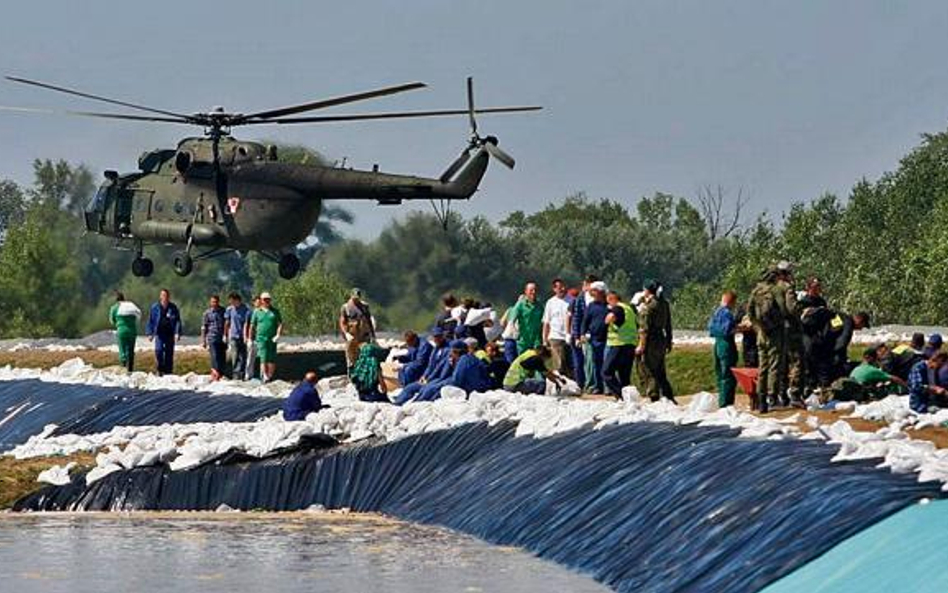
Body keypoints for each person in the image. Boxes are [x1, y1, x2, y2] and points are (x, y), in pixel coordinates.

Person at [748, 265, 792, 412]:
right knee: (774, 366)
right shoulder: (776, 290)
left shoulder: (756, 291)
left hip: (761, 334)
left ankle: (761, 401)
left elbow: (750, 312)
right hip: (775, 333)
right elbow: (784, 309)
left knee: (762, 368)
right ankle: (772, 397)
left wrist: (758, 328)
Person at [637, 279, 675, 403]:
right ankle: (668, 395)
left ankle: (653, 396)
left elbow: (644, 328)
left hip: (650, 340)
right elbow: (668, 325)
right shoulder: (664, 304)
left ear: (647, 290)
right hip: (661, 338)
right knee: (660, 369)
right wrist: (669, 341)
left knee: (649, 369)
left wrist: (641, 345)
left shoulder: (649, 306)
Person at [394, 327, 451, 405]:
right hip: (430, 375)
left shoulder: (445, 349)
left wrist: (428, 378)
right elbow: (431, 365)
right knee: (407, 384)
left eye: (438, 336)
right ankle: (400, 400)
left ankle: (413, 403)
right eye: (435, 337)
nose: (436, 339)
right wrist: (424, 376)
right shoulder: (436, 349)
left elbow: (438, 368)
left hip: (435, 376)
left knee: (410, 371)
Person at [602, 290, 636, 399]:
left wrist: (606, 320)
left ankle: (620, 395)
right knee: (624, 376)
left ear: (612, 298)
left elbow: (611, 317)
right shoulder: (629, 309)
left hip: (618, 344)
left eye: (608, 301)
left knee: (606, 372)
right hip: (630, 344)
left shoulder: (618, 307)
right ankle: (628, 398)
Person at [708, 290, 739, 408]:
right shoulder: (727, 313)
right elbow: (728, 330)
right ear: (732, 302)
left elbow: (711, 329)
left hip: (717, 345)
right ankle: (727, 403)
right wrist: (741, 328)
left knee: (720, 373)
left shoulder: (716, 312)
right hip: (727, 345)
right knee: (728, 375)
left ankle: (721, 400)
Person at [580, 281, 609, 394]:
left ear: (600, 292)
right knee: (595, 364)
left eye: (594, 291)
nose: (591, 293)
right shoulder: (591, 306)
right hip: (593, 339)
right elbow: (585, 321)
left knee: (607, 364)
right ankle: (597, 386)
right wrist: (582, 334)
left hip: (607, 339)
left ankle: (608, 387)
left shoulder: (608, 305)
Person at [567, 275, 596, 390]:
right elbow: (576, 318)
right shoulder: (580, 299)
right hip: (581, 334)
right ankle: (582, 384)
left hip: (594, 334)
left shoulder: (599, 298)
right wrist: (575, 335)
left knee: (591, 361)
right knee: (580, 362)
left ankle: (592, 384)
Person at [146, 288, 182, 376]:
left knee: (169, 353)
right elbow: (150, 320)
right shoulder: (155, 307)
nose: (164, 297)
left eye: (166, 296)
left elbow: (178, 321)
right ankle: (160, 368)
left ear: (169, 297)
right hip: (159, 333)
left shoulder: (173, 308)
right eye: (163, 295)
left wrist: (177, 333)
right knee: (159, 350)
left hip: (169, 333)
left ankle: (168, 371)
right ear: (160, 296)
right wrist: (149, 333)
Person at [249, 291, 283, 382]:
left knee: (271, 359)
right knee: (263, 358)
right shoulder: (257, 312)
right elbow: (252, 326)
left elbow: (280, 324)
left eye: (268, 299)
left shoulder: (275, 311)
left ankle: (270, 376)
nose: (267, 301)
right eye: (265, 299)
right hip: (261, 338)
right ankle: (264, 376)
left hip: (272, 338)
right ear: (261, 300)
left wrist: (278, 335)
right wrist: (250, 339)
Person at [542, 278, 572, 377]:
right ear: (554, 289)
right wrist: (544, 339)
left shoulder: (571, 300)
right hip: (555, 336)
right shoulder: (550, 302)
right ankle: (560, 382)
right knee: (559, 363)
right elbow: (546, 322)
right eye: (559, 287)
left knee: (568, 362)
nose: (562, 289)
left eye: (563, 286)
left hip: (569, 336)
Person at [339, 288, 376, 370]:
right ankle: (352, 375)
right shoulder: (345, 307)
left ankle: (364, 374)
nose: (356, 300)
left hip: (364, 336)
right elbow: (342, 322)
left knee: (365, 355)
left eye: (357, 298)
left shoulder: (365, 306)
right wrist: (346, 334)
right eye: (354, 298)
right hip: (352, 336)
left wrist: (373, 335)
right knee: (351, 357)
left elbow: (369, 320)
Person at [109, 291, 141, 372]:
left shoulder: (115, 307)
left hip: (122, 330)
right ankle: (130, 369)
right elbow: (139, 315)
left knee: (122, 350)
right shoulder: (131, 305)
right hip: (132, 330)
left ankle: (123, 368)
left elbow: (112, 321)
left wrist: (118, 323)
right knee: (130, 350)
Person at [508, 282, 544, 355]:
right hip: (523, 341)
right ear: (526, 291)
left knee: (536, 363)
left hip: (536, 341)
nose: (533, 292)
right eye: (531, 290)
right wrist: (514, 330)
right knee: (523, 362)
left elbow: (544, 322)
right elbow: (512, 319)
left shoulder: (540, 306)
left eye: (535, 290)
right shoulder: (520, 304)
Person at [223, 292, 251, 379]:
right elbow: (227, 322)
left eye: (233, 301)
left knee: (243, 356)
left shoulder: (246, 309)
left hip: (243, 336)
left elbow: (247, 323)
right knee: (235, 355)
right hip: (233, 336)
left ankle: (241, 374)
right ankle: (235, 374)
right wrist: (225, 335)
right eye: (230, 302)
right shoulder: (229, 309)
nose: (232, 303)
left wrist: (247, 337)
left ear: (238, 300)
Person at [201, 294, 227, 381]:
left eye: (216, 302)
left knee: (222, 356)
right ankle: (215, 374)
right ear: (210, 302)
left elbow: (227, 324)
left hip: (221, 337)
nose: (214, 303)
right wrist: (203, 340)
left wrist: (226, 335)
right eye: (212, 302)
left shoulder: (223, 311)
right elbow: (204, 327)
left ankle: (221, 373)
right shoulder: (207, 313)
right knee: (214, 356)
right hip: (212, 337)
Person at [243, 295, 262, 380]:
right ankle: (248, 375)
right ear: (254, 303)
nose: (258, 303)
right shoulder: (250, 312)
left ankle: (262, 375)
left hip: (261, 338)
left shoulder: (263, 312)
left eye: (260, 302)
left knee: (262, 358)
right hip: (252, 338)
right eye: (257, 302)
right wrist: (246, 337)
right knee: (250, 358)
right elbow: (246, 325)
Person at [499, 300, 521, 364]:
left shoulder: (511, 309)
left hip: (509, 338)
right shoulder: (528, 311)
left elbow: (502, 323)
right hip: (520, 339)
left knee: (509, 362)